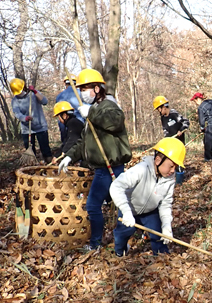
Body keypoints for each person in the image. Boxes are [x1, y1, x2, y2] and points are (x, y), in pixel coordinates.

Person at [58, 69, 132, 251]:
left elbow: (115, 121)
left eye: (86, 88)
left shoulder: (108, 105)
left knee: (100, 205)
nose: (83, 93)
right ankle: (111, 241)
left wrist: (92, 112)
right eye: (81, 89)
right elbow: (84, 141)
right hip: (101, 168)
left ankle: (106, 243)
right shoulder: (91, 111)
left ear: (97, 89)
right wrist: (69, 156)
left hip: (111, 166)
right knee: (112, 204)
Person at [109, 138, 186, 257]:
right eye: (170, 166)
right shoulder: (141, 169)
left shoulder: (169, 178)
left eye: (175, 167)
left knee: (158, 235)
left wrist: (166, 225)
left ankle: (162, 258)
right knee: (121, 236)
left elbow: (165, 204)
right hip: (129, 210)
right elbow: (116, 186)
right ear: (158, 160)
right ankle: (120, 251)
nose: (172, 171)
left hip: (150, 211)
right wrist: (126, 211)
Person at [10, 77, 53, 164]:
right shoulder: (15, 101)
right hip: (27, 130)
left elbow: (45, 101)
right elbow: (17, 113)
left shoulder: (33, 95)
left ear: (24, 87)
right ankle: (32, 168)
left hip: (41, 127)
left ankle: (49, 166)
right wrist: (24, 118)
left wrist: (35, 91)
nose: (20, 93)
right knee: (30, 152)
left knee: (45, 149)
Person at [190, 92, 212, 161]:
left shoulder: (201, 107)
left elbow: (201, 121)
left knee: (207, 140)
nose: (195, 103)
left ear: (198, 99)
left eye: (195, 101)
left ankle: (208, 158)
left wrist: (202, 128)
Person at [55, 75, 83, 143]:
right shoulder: (82, 93)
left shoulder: (60, 96)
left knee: (66, 143)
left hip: (65, 124)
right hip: (81, 123)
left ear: (65, 84)